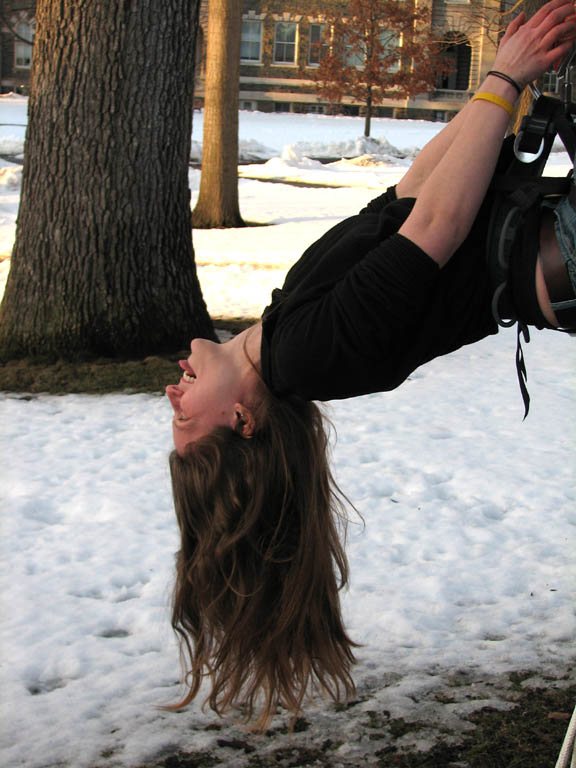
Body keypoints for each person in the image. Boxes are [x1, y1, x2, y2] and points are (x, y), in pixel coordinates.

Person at [165, 0, 576, 729]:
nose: (172, 394)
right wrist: (506, 79)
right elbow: (436, 228)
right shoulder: (312, 356)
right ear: (241, 420)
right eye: (182, 420)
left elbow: (412, 188)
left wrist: (501, 78)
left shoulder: (285, 324)